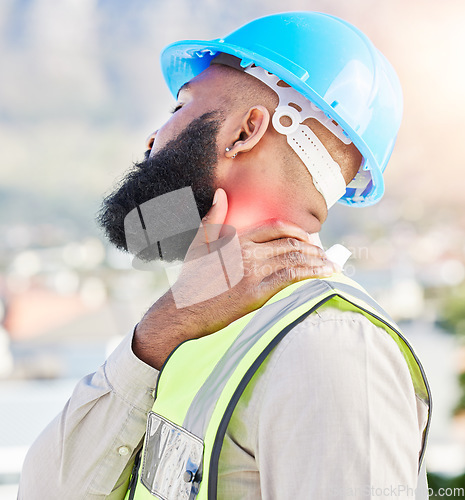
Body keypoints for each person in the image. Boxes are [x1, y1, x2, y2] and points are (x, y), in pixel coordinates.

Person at [19, 12, 431, 500]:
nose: (152, 139)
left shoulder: (331, 347)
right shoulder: (190, 317)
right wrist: (164, 327)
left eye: (181, 105)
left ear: (245, 132)